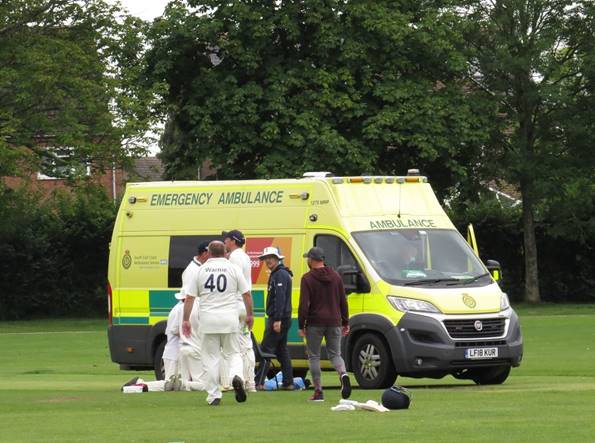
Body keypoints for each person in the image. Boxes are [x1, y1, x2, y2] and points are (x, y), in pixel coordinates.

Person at [182, 241, 254, 406]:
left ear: (208, 253)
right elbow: (247, 294)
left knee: (210, 358)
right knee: (233, 353)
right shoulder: (233, 269)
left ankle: (214, 395)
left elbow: (190, 298)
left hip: (208, 320)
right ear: (225, 252)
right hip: (229, 318)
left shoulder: (200, 270)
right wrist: (250, 314)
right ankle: (237, 376)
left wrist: (186, 320)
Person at [298, 246, 351, 402]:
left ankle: (318, 391)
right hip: (335, 321)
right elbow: (343, 300)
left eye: (308, 258)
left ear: (312, 260)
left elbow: (303, 305)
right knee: (335, 354)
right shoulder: (336, 277)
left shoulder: (307, 278)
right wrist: (345, 321)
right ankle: (343, 374)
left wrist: (301, 325)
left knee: (314, 356)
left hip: (315, 322)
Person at [222, 229, 257, 393]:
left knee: (232, 348)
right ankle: (251, 383)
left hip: (234, 306)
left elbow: (231, 283)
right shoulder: (245, 256)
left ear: (233, 241)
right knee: (246, 344)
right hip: (244, 307)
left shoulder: (234, 258)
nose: (224, 242)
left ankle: (235, 380)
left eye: (226, 239)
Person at [255, 246, 294, 390]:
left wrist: (277, 319)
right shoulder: (278, 274)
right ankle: (288, 382)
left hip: (279, 319)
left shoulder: (280, 275)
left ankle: (258, 382)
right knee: (281, 350)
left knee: (266, 349)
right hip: (281, 318)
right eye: (266, 258)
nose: (268, 260)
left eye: (271, 257)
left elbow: (280, 298)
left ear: (278, 258)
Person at [178, 242, 210, 385]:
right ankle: (189, 383)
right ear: (204, 254)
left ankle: (189, 381)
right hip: (195, 310)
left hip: (199, 309)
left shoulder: (201, 268)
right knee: (197, 346)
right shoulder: (192, 270)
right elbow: (188, 296)